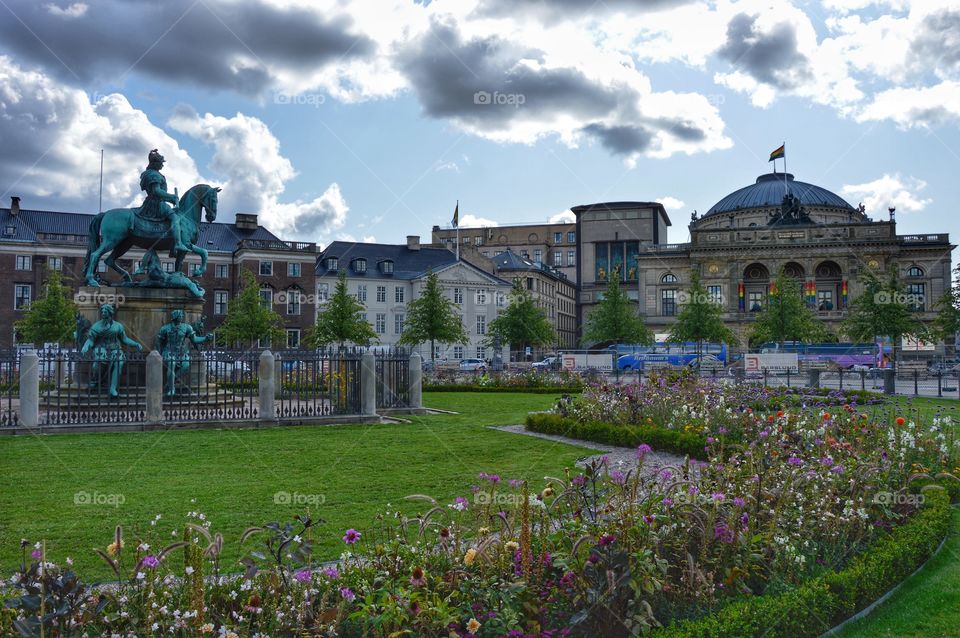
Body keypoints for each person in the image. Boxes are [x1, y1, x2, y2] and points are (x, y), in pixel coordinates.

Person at [81, 304, 144, 397]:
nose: (103, 313)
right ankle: (95, 380)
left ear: (110, 313)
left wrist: (136, 344)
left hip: (115, 348)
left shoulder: (118, 326)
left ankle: (113, 388)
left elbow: (124, 339)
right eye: (102, 312)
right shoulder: (96, 326)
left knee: (119, 362)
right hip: (101, 347)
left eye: (105, 312)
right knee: (98, 361)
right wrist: (85, 346)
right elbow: (91, 339)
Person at [139, 149, 190, 253]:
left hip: (152, 202)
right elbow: (157, 191)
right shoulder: (154, 175)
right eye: (161, 163)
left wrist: (169, 199)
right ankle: (178, 244)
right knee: (175, 218)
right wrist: (172, 197)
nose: (162, 165)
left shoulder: (148, 173)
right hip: (156, 204)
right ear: (155, 163)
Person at [155, 310, 211, 396]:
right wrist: (159, 354)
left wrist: (205, 338)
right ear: (174, 317)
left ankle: (170, 382)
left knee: (186, 365)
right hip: (168, 352)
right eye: (179, 315)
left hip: (182, 353)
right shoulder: (165, 328)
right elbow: (158, 341)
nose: (181, 317)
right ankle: (171, 389)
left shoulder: (187, 327)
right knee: (171, 363)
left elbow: (195, 339)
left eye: (181, 315)